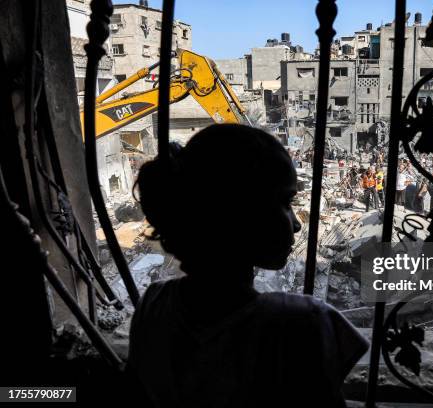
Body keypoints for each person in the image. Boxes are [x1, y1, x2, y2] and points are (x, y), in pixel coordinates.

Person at [130, 124, 368, 407]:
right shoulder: (306, 323)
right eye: (284, 202)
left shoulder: (153, 306)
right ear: (237, 212)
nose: (296, 223)